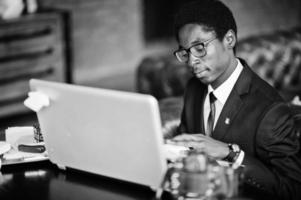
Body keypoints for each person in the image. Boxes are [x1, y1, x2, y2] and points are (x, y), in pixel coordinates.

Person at [170, 0, 301, 199]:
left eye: (199, 48)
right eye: (185, 52)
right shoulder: (193, 89)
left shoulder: (271, 109)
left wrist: (231, 154)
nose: (192, 61)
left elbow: (292, 189)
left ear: (229, 39)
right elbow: (185, 143)